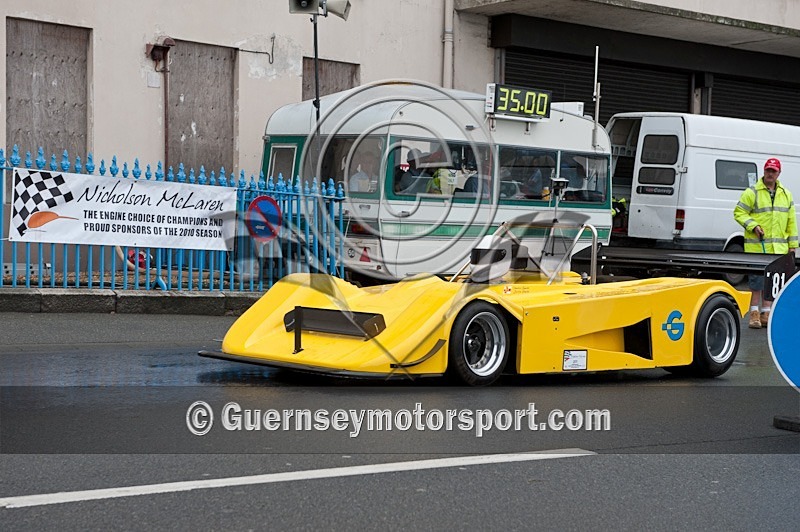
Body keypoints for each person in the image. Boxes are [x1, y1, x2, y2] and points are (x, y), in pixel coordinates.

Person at [733, 157, 798, 329]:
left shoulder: (786, 194)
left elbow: (791, 222)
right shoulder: (752, 192)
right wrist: (753, 226)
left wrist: (792, 246)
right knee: (756, 282)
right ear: (764, 171)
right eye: (768, 170)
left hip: (778, 249)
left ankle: (766, 313)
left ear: (779, 173)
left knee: (772, 283)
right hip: (757, 248)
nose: (770, 174)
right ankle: (754, 312)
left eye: (773, 171)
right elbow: (739, 212)